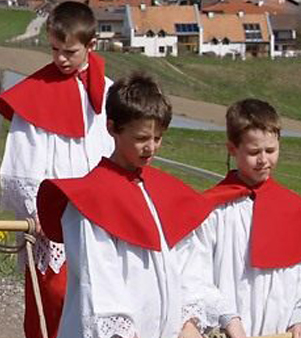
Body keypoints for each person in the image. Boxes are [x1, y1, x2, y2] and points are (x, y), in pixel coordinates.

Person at [36, 74, 213, 338]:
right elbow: (98, 280)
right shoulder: (90, 199)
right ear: (112, 128)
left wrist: (189, 322)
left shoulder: (165, 192)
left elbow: (188, 263)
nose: (151, 148)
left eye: (158, 138)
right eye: (142, 138)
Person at [0, 0, 115, 338]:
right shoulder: (35, 94)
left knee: (98, 304)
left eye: (70, 52)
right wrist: (37, 212)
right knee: (52, 299)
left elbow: (112, 149)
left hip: (99, 218)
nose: (61, 58)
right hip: (55, 220)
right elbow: (23, 160)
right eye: (55, 49)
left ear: (92, 46)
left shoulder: (108, 93)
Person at [184, 99, 301, 338]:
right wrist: (227, 317)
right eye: (254, 152)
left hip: (283, 331)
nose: (263, 160)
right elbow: (195, 275)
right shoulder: (211, 211)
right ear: (232, 149)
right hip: (229, 331)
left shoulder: (296, 210)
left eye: (271, 151)